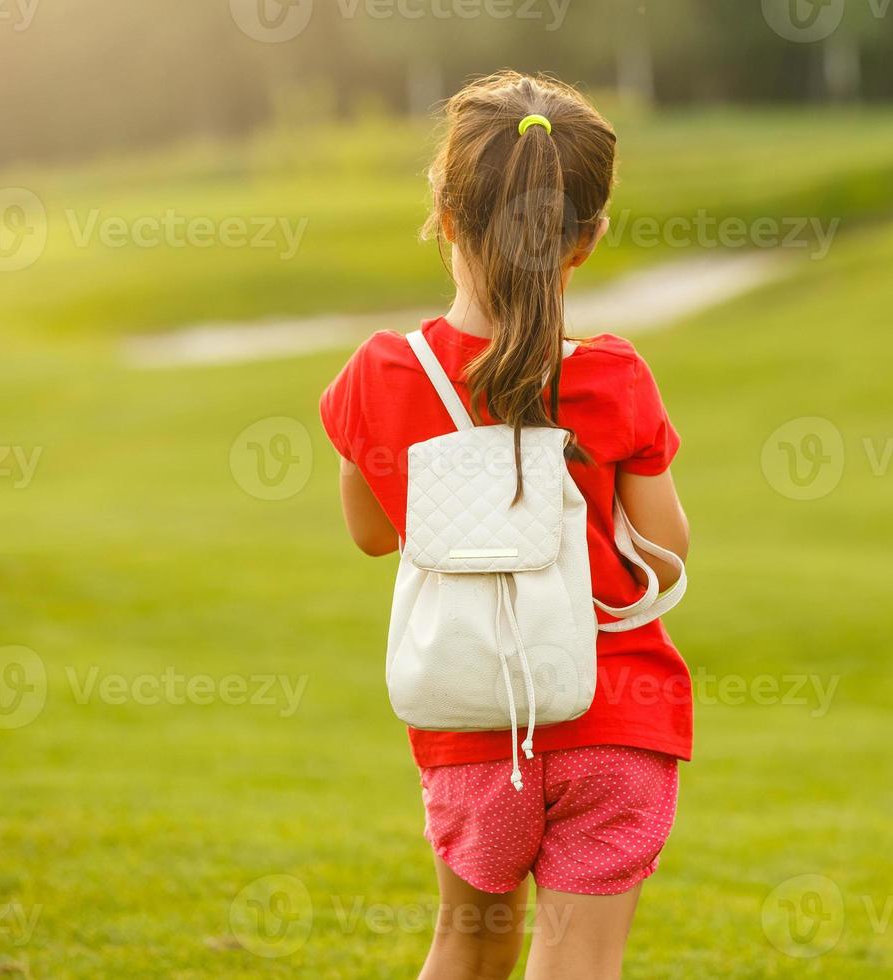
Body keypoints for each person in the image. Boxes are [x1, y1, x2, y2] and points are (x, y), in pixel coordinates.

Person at [319, 71, 691, 980]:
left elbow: (373, 534)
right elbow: (666, 550)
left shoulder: (380, 373)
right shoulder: (614, 377)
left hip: (471, 720)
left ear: (445, 214)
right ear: (589, 239)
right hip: (613, 717)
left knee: (469, 948)